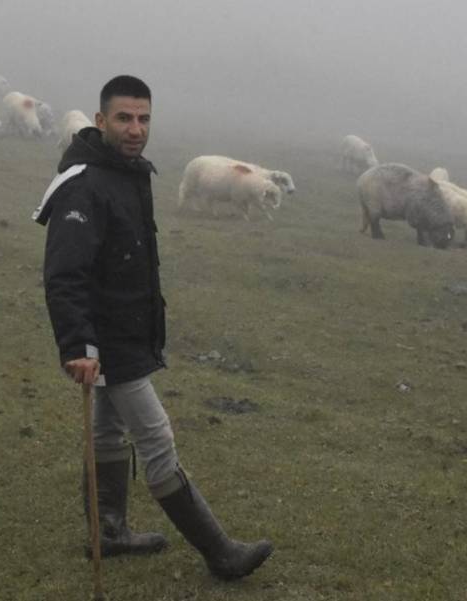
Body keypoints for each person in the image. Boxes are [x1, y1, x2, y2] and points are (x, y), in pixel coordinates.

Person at [33, 75, 272, 581]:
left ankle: (111, 531)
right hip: (109, 340)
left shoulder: (128, 173)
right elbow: (64, 273)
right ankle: (220, 553)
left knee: (108, 427)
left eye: (143, 118)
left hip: (125, 330)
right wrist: (77, 343)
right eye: (124, 118)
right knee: (157, 439)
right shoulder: (83, 183)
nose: (135, 128)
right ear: (100, 121)